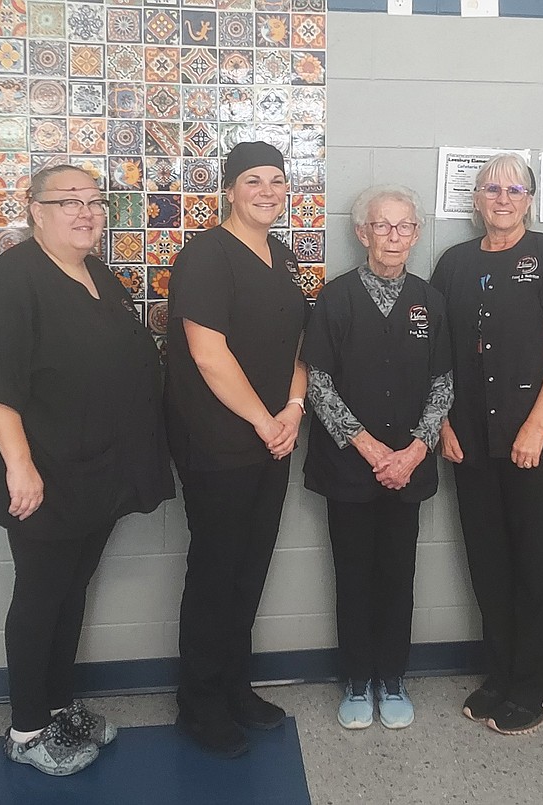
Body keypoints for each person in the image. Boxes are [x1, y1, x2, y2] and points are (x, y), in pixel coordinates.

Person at [0, 165, 174, 776]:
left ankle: (57, 708)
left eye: (95, 201)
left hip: (95, 472)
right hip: (42, 473)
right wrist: (20, 467)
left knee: (73, 592)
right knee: (41, 596)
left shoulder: (98, 273)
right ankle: (26, 728)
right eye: (68, 201)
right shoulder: (13, 278)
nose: (86, 211)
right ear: (34, 210)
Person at [430, 152, 543, 736]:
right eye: (491, 188)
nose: (502, 198)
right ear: (475, 199)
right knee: (489, 559)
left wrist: (536, 427)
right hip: (471, 438)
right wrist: (444, 422)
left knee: (537, 562)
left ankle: (542, 686)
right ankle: (502, 673)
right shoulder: (453, 263)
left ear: (529, 199)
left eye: (514, 188)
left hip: (541, 439)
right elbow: (440, 352)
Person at [165, 141, 309, 758]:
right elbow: (207, 353)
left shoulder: (283, 257)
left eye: (277, 180)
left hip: (273, 437)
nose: (268, 191)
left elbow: (301, 347)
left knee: (251, 567)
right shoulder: (204, 256)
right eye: (254, 180)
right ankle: (200, 702)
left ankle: (235, 686)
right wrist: (262, 419)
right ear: (228, 189)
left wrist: (293, 411)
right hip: (220, 439)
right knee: (217, 569)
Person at [302, 185, 452, 731]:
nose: (394, 236)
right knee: (353, 574)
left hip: (408, 469)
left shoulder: (430, 301)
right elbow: (317, 382)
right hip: (350, 468)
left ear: (416, 233)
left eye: (405, 226)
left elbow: (443, 381)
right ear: (362, 233)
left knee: (398, 574)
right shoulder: (335, 299)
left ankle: (393, 678)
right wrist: (368, 448)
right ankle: (357, 681)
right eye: (382, 226)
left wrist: (414, 450)